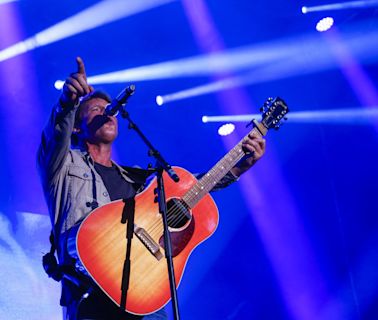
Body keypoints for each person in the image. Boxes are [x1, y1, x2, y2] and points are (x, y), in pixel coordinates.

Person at [37, 57, 266, 320]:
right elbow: (54, 137)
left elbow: (193, 186)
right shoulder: (62, 165)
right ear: (77, 126)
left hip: (144, 294)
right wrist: (67, 103)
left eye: (108, 107)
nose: (107, 111)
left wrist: (239, 167)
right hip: (91, 295)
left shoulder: (137, 179)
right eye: (95, 109)